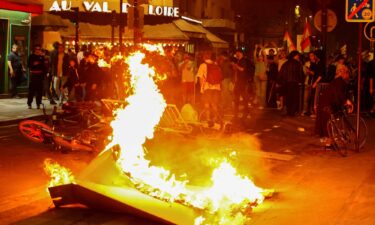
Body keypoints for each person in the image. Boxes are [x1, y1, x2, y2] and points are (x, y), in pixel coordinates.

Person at [315, 57, 353, 145]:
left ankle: (333, 139)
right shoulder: (339, 81)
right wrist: (346, 101)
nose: (348, 75)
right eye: (347, 72)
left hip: (326, 104)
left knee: (334, 120)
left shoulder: (337, 81)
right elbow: (338, 93)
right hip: (327, 105)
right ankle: (330, 141)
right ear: (342, 73)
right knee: (330, 122)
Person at [196, 51, 222, 126]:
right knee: (214, 104)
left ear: (204, 57)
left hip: (207, 87)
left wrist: (202, 88)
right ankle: (215, 118)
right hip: (216, 87)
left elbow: (201, 78)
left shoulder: (203, 65)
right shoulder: (216, 64)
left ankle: (208, 119)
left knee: (207, 104)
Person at [279, 51, 305, 116]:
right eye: (297, 55)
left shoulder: (285, 64)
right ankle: (292, 112)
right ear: (295, 56)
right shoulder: (298, 63)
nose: (298, 57)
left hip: (286, 83)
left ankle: (288, 111)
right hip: (295, 83)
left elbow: (281, 74)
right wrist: (301, 81)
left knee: (287, 97)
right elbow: (300, 73)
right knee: (294, 98)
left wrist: (281, 82)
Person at [232, 49, 251, 122]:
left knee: (244, 98)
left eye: (237, 53)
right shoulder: (239, 60)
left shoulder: (243, 60)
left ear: (240, 53)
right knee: (236, 98)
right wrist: (234, 66)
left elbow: (242, 69)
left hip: (242, 82)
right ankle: (236, 113)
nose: (236, 55)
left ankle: (245, 112)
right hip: (238, 82)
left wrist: (236, 65)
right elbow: (237, 70)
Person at [303, 51, 323, 116]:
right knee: (307, 98)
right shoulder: (309, 63)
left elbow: (319, 74)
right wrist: (307, 71)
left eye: (312, 55)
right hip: (309, 82)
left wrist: (315, 82)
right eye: (310, 56)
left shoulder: (319, 63)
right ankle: (306, 111)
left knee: (314, 98)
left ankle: (313, 112)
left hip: (315, 82)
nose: (311, 57)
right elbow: (306, 73)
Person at [27, 45, 45, 109]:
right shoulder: (31, 56)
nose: (38, 50)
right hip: (33, 75)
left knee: (39, 90)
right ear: (34, 50)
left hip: (40, 75)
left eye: (39, 49)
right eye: (36, 49)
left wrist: (44, 74)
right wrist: (33, 64)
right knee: (32, 90)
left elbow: (44, 67)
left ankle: (38, 103)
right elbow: (28, 65)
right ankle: (29, 103)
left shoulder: (41, 57)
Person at [253, 44, 267, 109]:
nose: (260, 57)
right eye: (259, 56)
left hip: (263, 77)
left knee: (263, 91)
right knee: (258, 91)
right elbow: (254, 56)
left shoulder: (265, 62)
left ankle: (262, 105)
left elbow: (265, 55)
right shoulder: (256, 62)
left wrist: (262, 48)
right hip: (256, 77)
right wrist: (256, 49)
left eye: (261, 56)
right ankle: (258, 103)